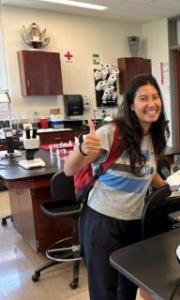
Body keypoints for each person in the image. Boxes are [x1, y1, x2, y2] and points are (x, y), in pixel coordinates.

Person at [64, 74, 169, 300]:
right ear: (131, 105)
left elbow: (146, 170)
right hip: (103, 223)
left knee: (128, 288)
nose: (151, 103)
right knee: (105, 291)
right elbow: (69, 170)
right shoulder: (112, 133)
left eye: (155, 97)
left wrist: (168, 186)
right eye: (143, 98)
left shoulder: (154, 135)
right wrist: (82, 149)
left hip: (134, 222)